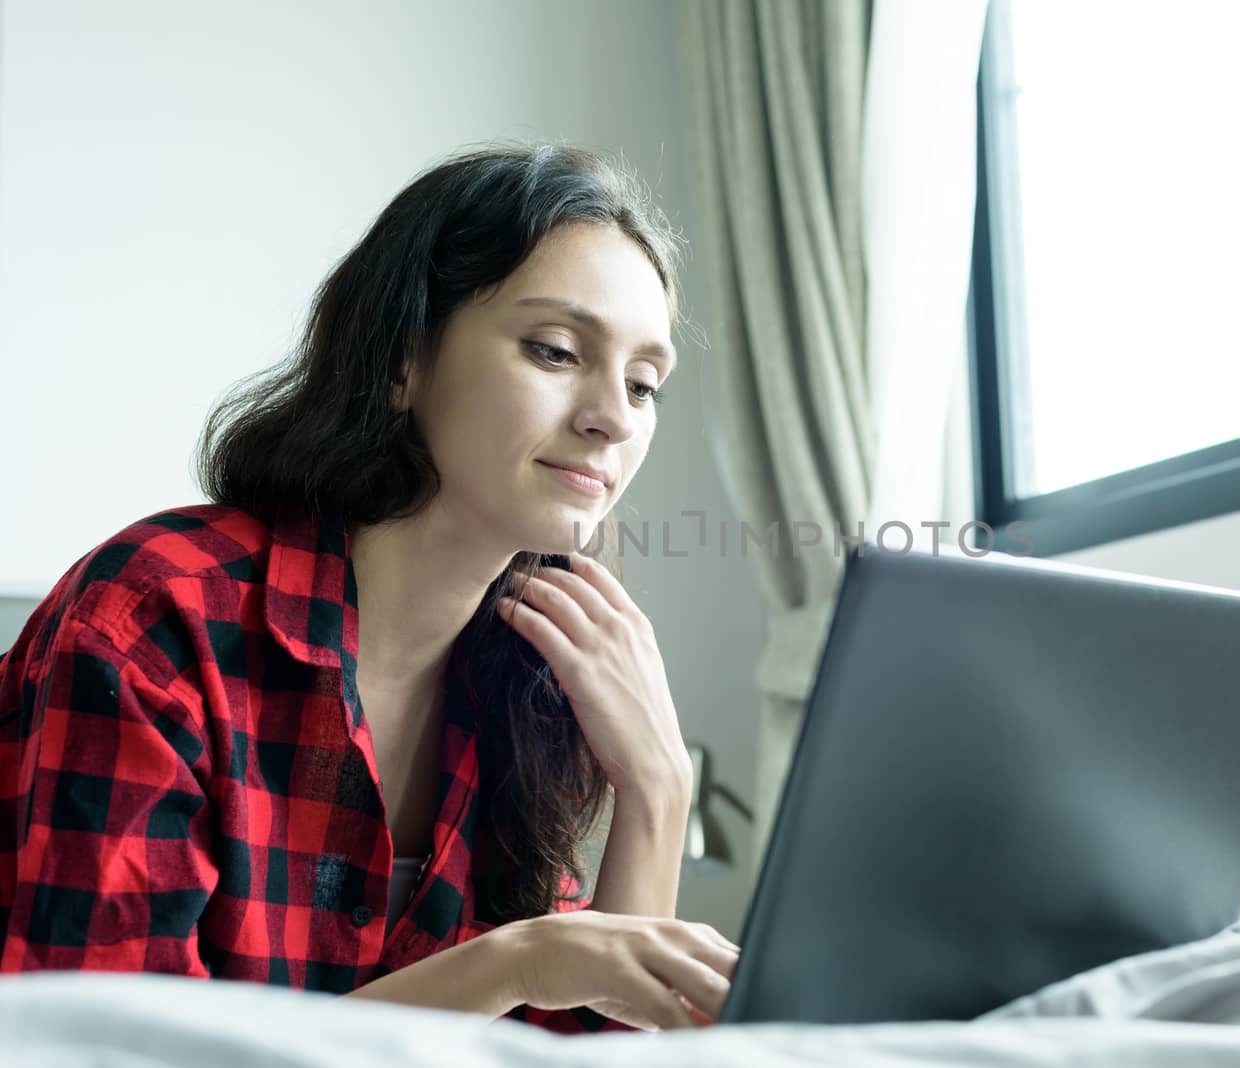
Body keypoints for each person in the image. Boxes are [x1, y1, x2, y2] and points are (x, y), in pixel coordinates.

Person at [0, 142, 738, 1032]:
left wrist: (656, 789)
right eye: (554, 350)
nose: (613, 416)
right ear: (403, 362)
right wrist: (518, 962)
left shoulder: (542, 679)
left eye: (645, 383)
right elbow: (111, 1055)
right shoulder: (157, 616)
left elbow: (588, 1049)